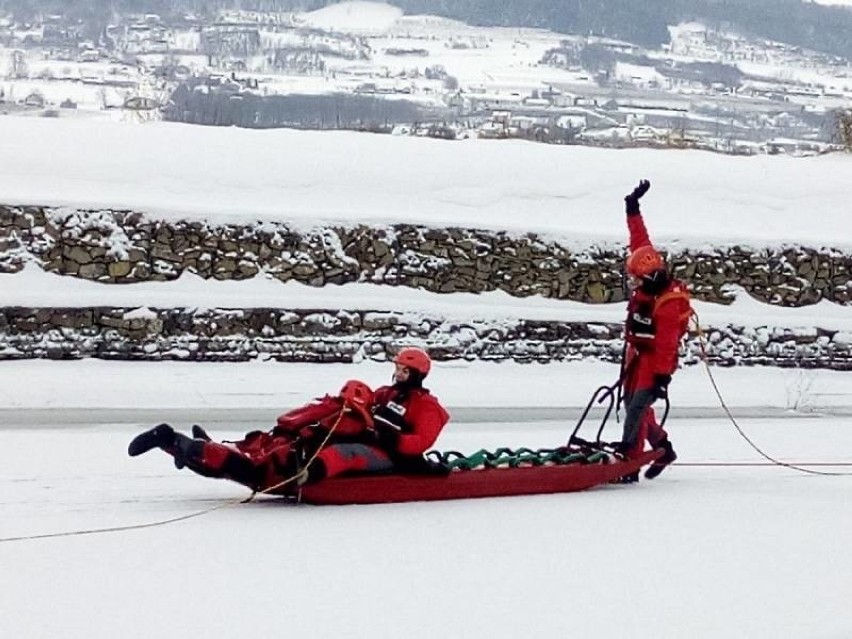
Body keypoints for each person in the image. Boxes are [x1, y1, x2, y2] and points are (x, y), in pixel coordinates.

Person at [127, 346, 450, 491]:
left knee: (345, 455)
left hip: (390, 455)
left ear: (418, 374)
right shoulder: (385, 393)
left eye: (404, 370)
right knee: (302, 437)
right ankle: (195, 446)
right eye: (396, 367)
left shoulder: (427, 408)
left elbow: (419, 443)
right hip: (367, 438)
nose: (397, 374)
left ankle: (307, 471)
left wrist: (386, 436)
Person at [616, 179, 693, 481]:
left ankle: (629, 464)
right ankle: (662, 446)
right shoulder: (648, 262)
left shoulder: (669, 303)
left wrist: (662, 378)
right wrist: (632, 207)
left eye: (636, 281)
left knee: (636, 409)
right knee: (633, 406)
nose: (633, 285)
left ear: (647, 279)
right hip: (636, 353)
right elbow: (639, 240)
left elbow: (667, 343)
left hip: (654, 361)